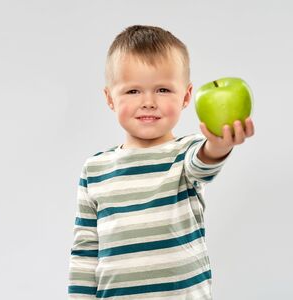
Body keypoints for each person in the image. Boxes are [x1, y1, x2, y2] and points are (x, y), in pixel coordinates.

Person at [68, 24, 255, 299]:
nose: (148, 102)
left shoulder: (185, 153)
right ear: (110, 98)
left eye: (163, 90)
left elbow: (203, 163)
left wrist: (219, 144)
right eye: (133, 91)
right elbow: (85, 250)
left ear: (187, 96)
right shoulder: (95, 169)